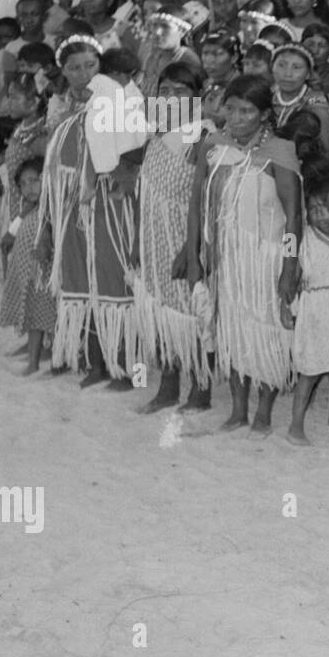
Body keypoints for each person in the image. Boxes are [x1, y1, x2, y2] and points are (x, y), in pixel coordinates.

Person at [185, 74, 302, 434]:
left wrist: (288, 267)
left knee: (266, 332)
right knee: (232, 329)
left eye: (247, 111)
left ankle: (264, 411)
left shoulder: (280, 152)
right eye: (231, 109)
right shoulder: (213, 146)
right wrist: (193, 257)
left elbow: (293, 215)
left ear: (265, 114)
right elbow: (197, 205)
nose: (235, 118)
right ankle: (238, 409)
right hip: (226, 256)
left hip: (265, 257)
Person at [34, 35, 144, 387]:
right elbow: (53, 182)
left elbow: (134, 159)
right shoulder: (65, 118)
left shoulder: (121, 107)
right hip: (73, 218)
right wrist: (48, 227)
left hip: (112, 213)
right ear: (63, 72)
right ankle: (97, 363)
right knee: (83, 285)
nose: (82, 74)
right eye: (74, 68)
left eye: (90, 66)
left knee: (117, 287)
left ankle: (128, 369)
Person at [133, 62, 215, 412]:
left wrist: (191, 247)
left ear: (197, 97)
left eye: (180, 91)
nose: (170, 97)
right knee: (160, 313)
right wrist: (138, 239)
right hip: (153, 240)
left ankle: (201, 390)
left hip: (184, 239)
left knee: (192, 315)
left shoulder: (203, 137)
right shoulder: (155, 133)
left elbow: (209, 199)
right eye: (165, 90)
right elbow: (146, 191)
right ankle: (168, 387)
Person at [286, 158, 329, 444]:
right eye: (312, 208)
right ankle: (295, 425)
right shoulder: (305, 239)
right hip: (314, 309)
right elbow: (294, 275)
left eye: (324, 206)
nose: (319, 214)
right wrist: (288, 306)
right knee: (309, 370)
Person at [0, 156, 56, 373]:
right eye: (23, 184)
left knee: (46, 314)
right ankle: (34, 360)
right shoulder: (30, 206)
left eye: (34, 181)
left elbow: (50, 232)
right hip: (29, 274)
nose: (28, 188)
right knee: (33, 315)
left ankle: (44, 358)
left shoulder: (51, 205)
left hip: (44, 271)